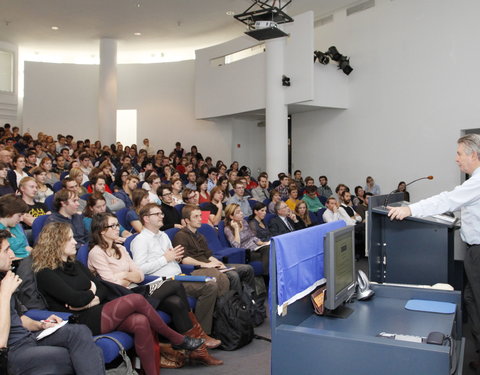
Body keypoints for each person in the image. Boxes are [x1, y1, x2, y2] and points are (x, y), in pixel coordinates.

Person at [32, 222, 204, 375]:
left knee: (140, 321)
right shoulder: (45, 273)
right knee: (135, 300)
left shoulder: (75, 264)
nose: (75, 242)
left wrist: (90, 297)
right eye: (70, 239)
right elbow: (76, 300)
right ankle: (176, 338)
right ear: (56, 242)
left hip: (97, 310)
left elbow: (101, 288)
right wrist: (90, 295)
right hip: (79, 322)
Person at [387, 134, 480, 369]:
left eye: (459, 153)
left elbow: (447, 200)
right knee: (471, 299)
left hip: (478, 253)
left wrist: (410, 209)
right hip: (473, 251)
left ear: (474, 154)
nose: (456, 159)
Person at [88, 212, 222, 363]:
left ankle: (198, 350)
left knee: (176, 303)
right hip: (121, 298)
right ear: (101, 230)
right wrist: (128, 275)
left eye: (117, 225)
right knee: (174, 284)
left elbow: (140, 275)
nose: (117, 228)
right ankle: (198, 337)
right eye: (112, 226)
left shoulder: (121, 248)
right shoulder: (96, 253)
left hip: (137, 289)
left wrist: (124, 275)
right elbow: (111, 283)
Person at [0, 229, 106, 375]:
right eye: (6, 251)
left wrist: (41, 324)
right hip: (12, 352)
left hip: (28, 337)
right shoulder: (5, 287)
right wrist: (4, 295)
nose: (12, 254)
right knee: (85, 354)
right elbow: (1, 344)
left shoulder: (3, 279)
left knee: (79, 332)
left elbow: (19, 318)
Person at [131, 203, 223, 342]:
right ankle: (202, 334)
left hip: (180, 276)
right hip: (165, 282)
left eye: (161, 213)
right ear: (146, 219)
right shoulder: (140, 241)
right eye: (157, 214)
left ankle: (210, 329)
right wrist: (165, 259)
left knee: (214, 280)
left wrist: (175, 258)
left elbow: (172, 258)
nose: (162, 216)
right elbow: (140, 270)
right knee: (210, 287)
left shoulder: (163, 235)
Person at [173, 205, 255, 295]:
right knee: (233, 275)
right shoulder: (180, 236)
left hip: (209, 264)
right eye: (196, 217)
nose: (200, 219)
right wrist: (207, 265)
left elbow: (208, 255)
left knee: (247, 269)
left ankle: (250, 300)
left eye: (200, 215)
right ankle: (237, 306)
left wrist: (219, 264)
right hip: (198, 268)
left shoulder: (200, 236)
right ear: (187, 220)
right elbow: (185, 259)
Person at [224, 203, 270, 276]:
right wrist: (236, 229)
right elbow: (236, 246)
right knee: (268, 254)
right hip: (246, 253)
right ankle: (267, 276)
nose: (242, 213)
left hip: (256, 248)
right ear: (231, 216)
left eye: (241, 211)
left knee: (269, 248)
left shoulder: (244, 222)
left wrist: (262, 243)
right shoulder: (228, 229)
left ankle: (268, 276)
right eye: (238, 212)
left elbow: (252, 236)